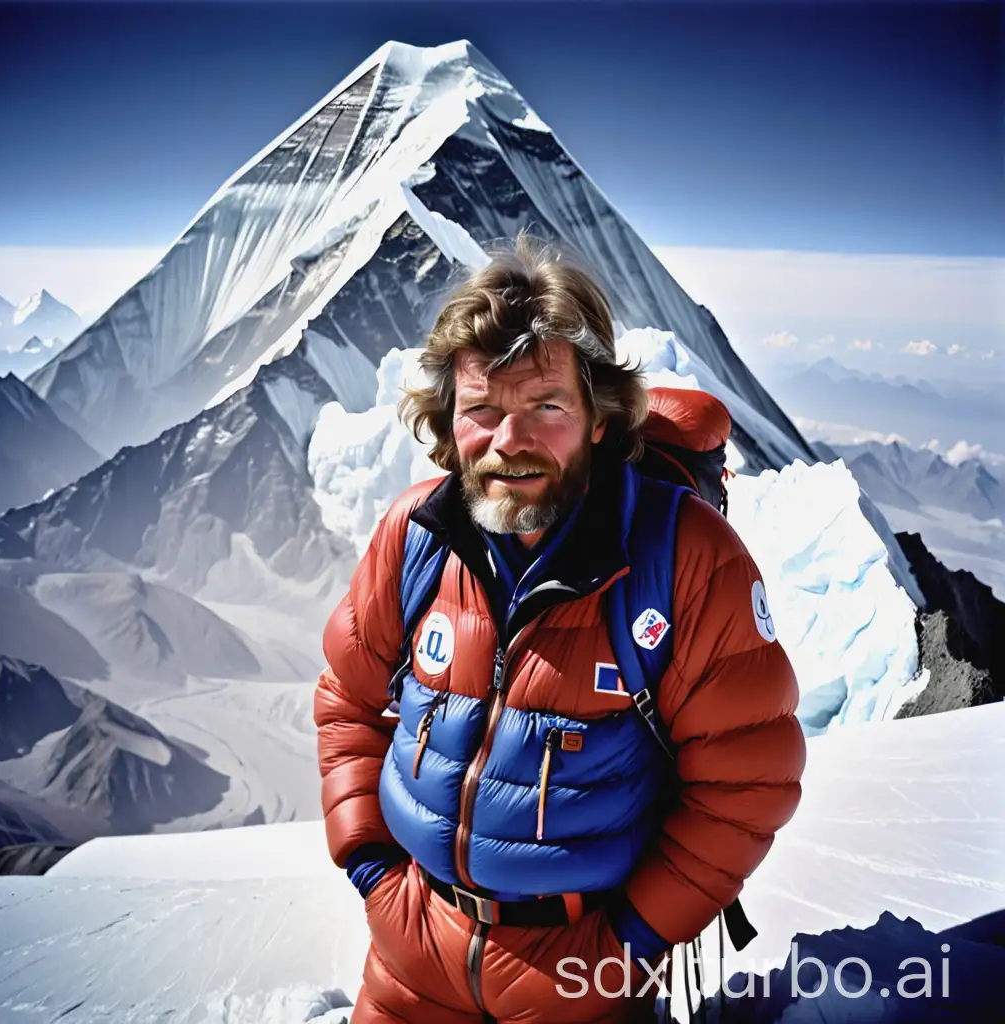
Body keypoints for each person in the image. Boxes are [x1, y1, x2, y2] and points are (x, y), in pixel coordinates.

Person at [314, 233, 806, 1023]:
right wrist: (371, 866)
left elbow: (751, 781)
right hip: (411, 952)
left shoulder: (684, 559)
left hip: (582, 978)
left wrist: (630, 943)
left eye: (546, 407)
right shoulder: (415, 538)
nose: (511, 441)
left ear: (600, 419)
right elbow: (347, 700)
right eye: (481, 410)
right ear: (449, 421)